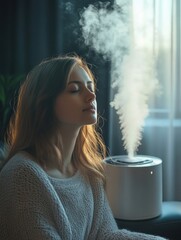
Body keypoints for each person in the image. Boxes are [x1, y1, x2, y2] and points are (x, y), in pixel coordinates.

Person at [0, 54, 167, 239]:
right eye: (74, 89)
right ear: (43, 103)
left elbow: (106, 235)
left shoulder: (88, 173)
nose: (91, 96)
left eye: (90, 87)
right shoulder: (22, 176)